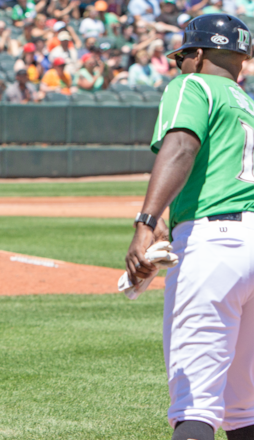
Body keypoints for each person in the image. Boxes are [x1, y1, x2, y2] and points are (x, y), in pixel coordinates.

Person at [124, 14, 254, 440]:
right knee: (244, 411)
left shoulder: (192, 85)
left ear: (197, 55)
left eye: (182, 57)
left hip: (214, 249)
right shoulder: (248, 106)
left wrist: (146, 221)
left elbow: (181, 145)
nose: (178, 65)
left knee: (195, 408)